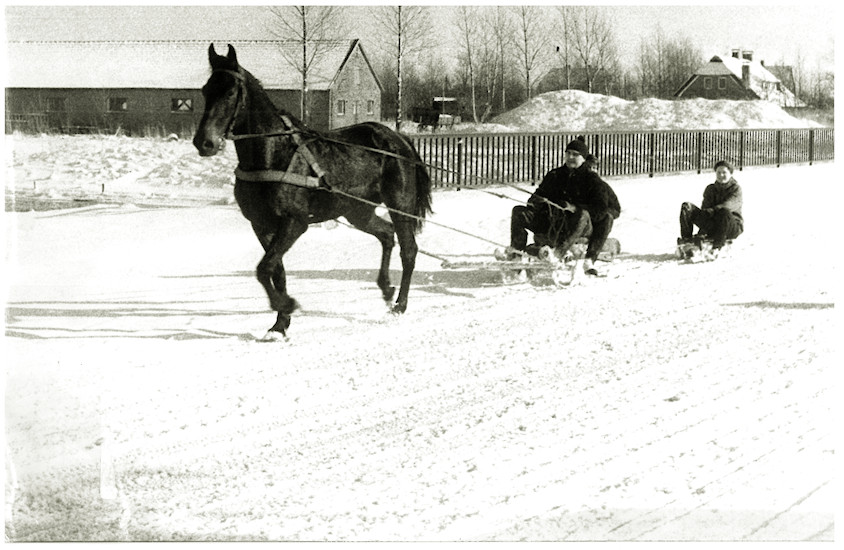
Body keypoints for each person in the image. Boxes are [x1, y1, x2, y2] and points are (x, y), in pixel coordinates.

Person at [507, 136, 621, 276]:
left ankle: (557, 254)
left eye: (575, 154)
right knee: (519, 211)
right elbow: (536, 197)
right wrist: (536, 201)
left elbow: (601, 211)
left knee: (582, 213)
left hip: (580, 226)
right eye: (568, 153)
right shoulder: (555, 175)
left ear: (584, 158)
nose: (570, 157)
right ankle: (517, 254)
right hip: (553, 222)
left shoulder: (592, 180)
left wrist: (574, 208)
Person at [678, 160, 743, 254]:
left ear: (730, 174)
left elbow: (729, 205)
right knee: (687, 207)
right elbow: (705, 210)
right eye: (718, 172)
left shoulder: (736, 189)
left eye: (724, 172)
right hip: (714, 224)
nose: (721, 175)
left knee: (723, 211)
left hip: (731, 225)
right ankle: (687, 241)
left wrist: (713, 210)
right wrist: (702, 231)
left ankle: (717, 246)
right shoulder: (710, 189)